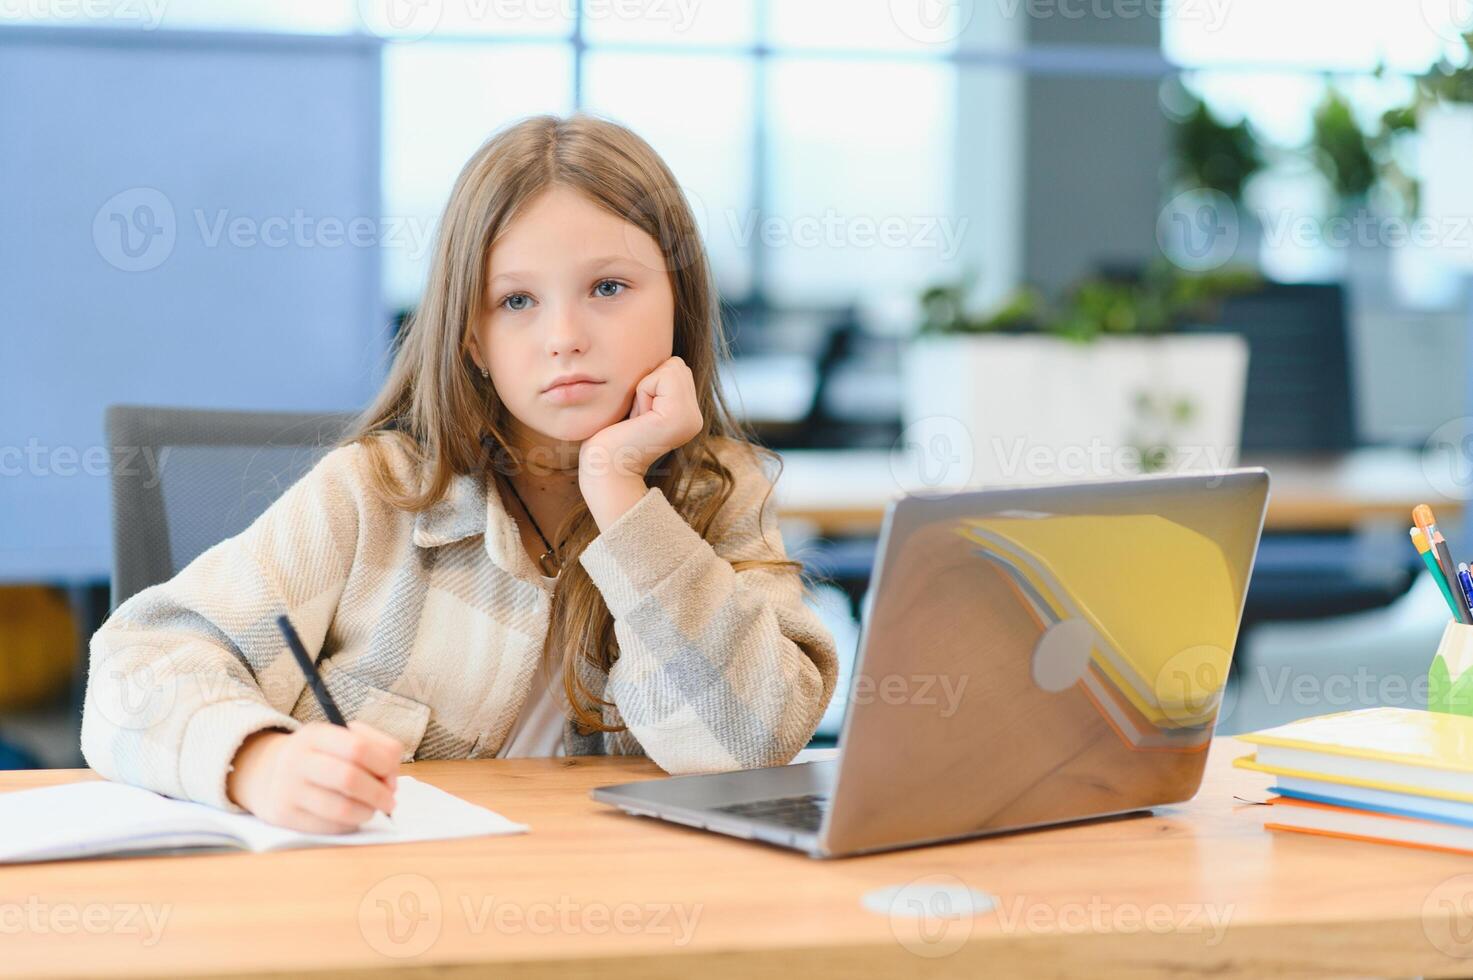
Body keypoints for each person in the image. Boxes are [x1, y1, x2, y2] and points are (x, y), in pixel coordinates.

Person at [80, 114, 839, 834]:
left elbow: (742, 747)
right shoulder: (372, 495)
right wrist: (260, 763)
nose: (565, 337)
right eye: (515, 301)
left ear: (679, 304)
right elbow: (131, 676)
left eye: (608, 288)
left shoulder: (719, 496)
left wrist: (621, 495)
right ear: (471, 342)